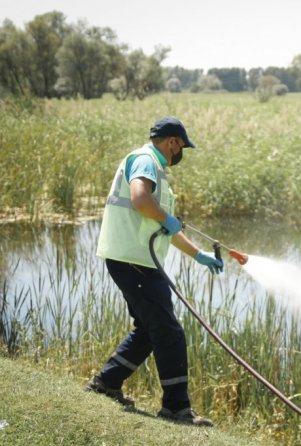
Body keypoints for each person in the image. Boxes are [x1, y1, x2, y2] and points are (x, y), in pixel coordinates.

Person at [86, 117, 223, 427]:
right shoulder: (146, 160)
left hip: (133, 259)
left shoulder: (149, 165)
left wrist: (198, 255)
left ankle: (107, 382)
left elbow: (163, 225)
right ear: (173, 142)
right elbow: (140, 199)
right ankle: (176, 408)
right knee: (169, 332)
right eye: (181, 146)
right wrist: (166, 218)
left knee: (149, 330)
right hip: (135, 260)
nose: (180, 153)